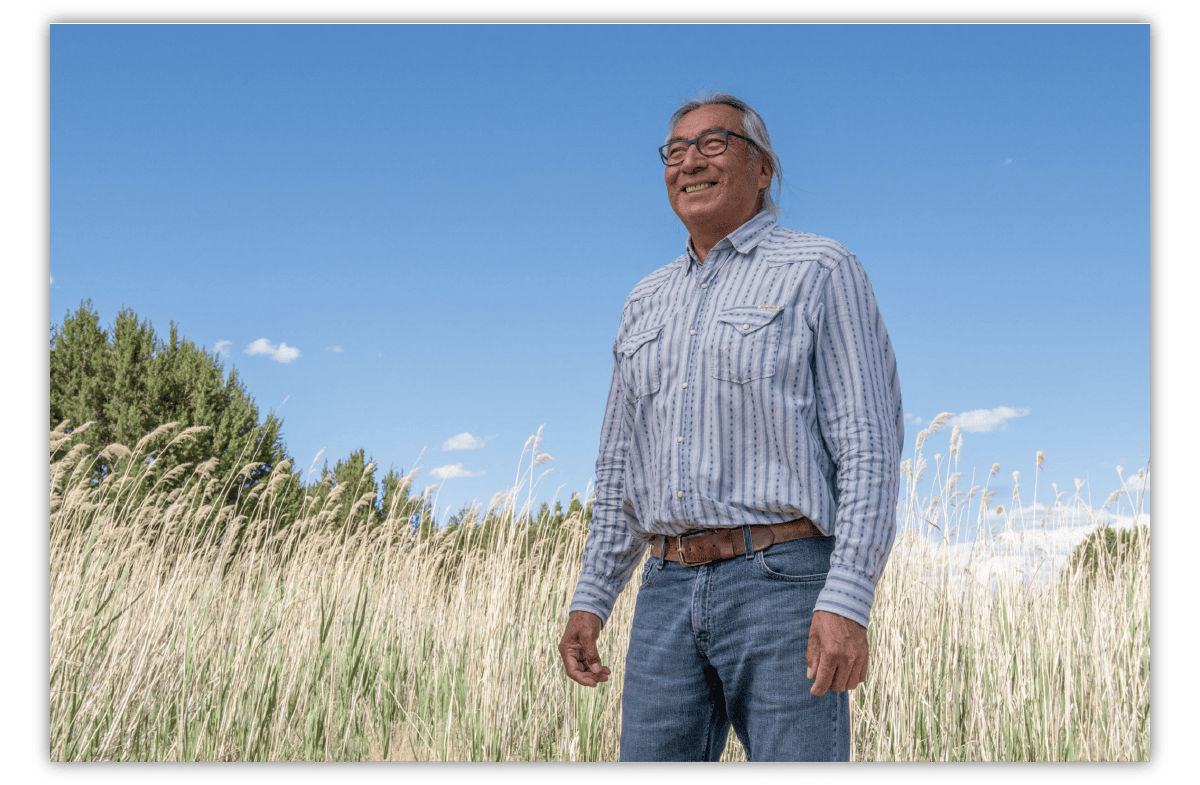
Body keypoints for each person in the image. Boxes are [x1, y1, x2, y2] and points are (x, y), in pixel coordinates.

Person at [557, 91, 904, 762]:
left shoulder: (821, 270)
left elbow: (868, 448)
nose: (690, 161)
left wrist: (849, 597)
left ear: (763, 168)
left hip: (785, 584)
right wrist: (592, 597)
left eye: (713, 143)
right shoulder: (644, 301)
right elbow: (620, 467)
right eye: (675, 151)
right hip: (665, 587)